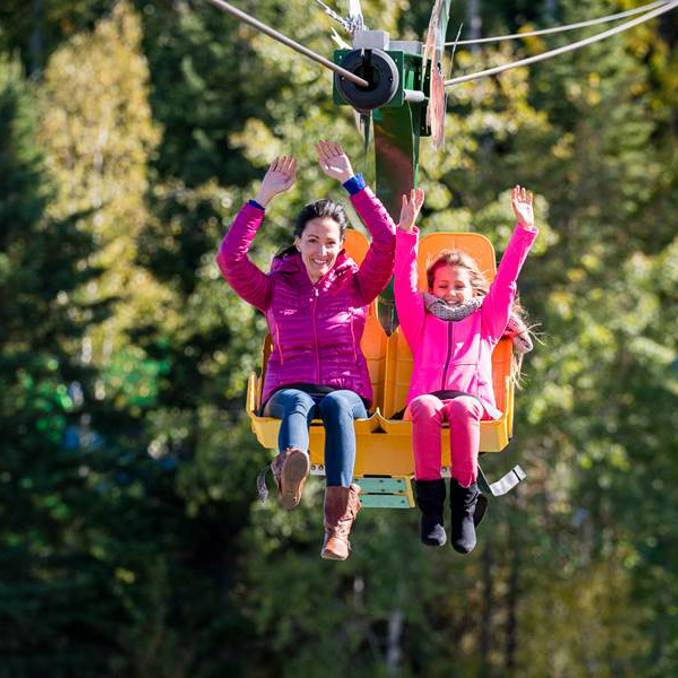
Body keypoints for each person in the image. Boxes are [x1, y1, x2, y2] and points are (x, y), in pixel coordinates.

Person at [216, 141, 396, 561]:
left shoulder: (357, 285)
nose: (321, 251)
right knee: (296, 399)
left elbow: (388, 240)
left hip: (346, 389)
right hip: (288, 385)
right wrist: (263, 198)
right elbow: (230, 258)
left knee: (335, 406)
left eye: (330, 243)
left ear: (342, 246)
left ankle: (337, 527)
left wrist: (353, 183)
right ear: (297, 242)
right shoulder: (274, 287)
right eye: (312, 241)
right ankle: (290, 468)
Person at [394, 186, 538, 554]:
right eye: (442, 285)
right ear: (433, 288)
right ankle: (430, 510)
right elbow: (404, 286)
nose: (450, 292)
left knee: (462, 407)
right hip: (427, 398)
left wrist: (524, 231)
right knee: (425, 407)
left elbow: (505, 283)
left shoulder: (486, 322)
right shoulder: (421, 322)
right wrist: (407, 232)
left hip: (471, 400)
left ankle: (463, 508)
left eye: (458, 286)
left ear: (472, 288)